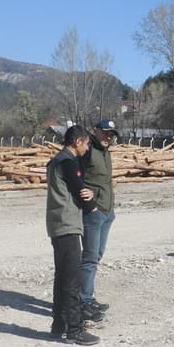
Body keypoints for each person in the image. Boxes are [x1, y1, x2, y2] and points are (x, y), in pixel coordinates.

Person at [46, 124, 100, 346]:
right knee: (71, 280)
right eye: (87, 144)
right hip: (67, 223)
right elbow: (79, 189)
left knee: (61, 277)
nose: (87, 149)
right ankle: (75, 330)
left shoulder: (55, 161)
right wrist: (93, 204)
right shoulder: (68, 162)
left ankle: (58, 325)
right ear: (78, 142)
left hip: (57, 224)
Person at [79, 119, 118, 323]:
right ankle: (82, 301)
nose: (109, 137)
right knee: (90, 258)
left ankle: (87, 297)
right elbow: (74, 175)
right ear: (96, 131)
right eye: (105, 133)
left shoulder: (105, 152)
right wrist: (87, 198)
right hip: (93, 211)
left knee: (97, 255)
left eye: (111, 134)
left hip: (107, 210)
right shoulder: (87, 150)